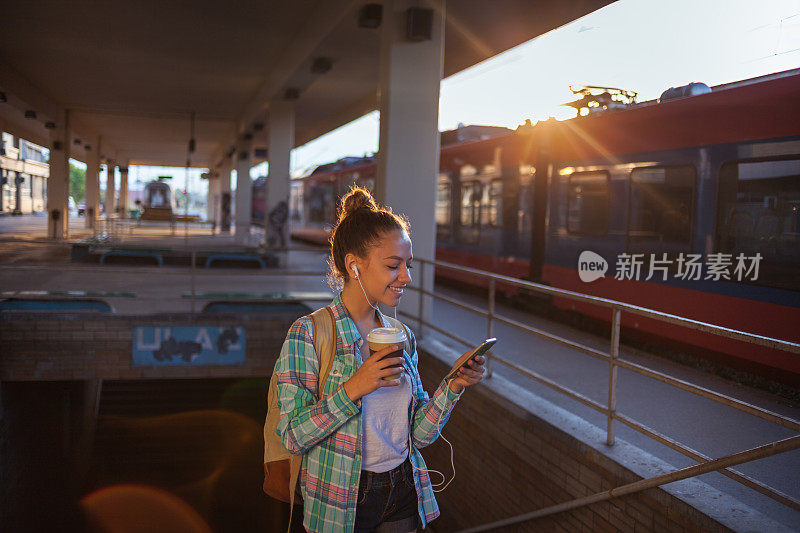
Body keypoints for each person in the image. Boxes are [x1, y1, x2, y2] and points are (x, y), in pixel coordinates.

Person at [275, 187, 485, 533]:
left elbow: (418, 436)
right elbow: (293, 435)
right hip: (342, 496)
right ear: (354, 266)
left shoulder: (401, 334)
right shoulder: (309, 333)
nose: (407, 277)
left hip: (402, 487)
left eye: (408, 265)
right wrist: (355, 387)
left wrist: (454, 385)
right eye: (393, 266)